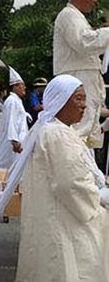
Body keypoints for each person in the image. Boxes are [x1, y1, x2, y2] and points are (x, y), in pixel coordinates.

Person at [16, 74, 109, 282]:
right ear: (61, 100)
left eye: (84, 98)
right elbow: (71, 183)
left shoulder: (55, 129)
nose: (83, 105)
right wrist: (99, 196)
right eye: (78, 98)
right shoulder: (56, 134)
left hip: (59, 217)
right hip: (68, 222)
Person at [53, 0, 109, 150]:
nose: (94, 1)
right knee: (78, 129)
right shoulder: (68, 15)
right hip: (77, 77)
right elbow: (84, 42)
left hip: (84, 76)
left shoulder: (77, 17)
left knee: (86, 130)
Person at [0, 67, 30, 169]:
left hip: (19, 140)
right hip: (11, 143)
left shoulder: (16, 100)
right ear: (16, 86)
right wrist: (14, 140)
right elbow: (11, 121)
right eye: (22, 85)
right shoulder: (12, 101)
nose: (24, 88)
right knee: (5, 166)